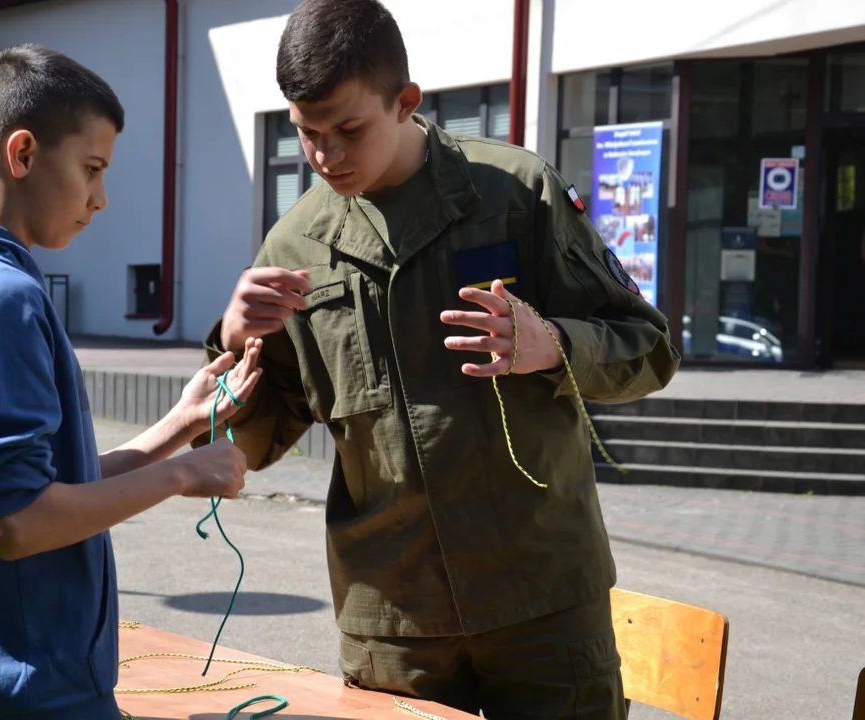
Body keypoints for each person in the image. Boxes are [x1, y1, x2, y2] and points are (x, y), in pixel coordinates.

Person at [197, 1, 681, 718]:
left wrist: (554, 346)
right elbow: (252, 440)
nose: (326, 155)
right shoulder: (294, 248)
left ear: (405, 102)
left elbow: (650, 349)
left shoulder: (515, 195)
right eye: (307, 134)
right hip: (394, 623)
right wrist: (232, 343)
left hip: (540, 599)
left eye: (348, 129)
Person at [0, 44, 257, 720]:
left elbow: (36, 486)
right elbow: (19, 524)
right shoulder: (0, 299)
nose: (101, 199)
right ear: (22, 155)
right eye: (91, 169)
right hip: (31, 696)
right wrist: (184, 476)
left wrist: (177, 428)